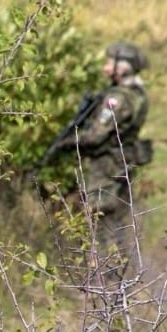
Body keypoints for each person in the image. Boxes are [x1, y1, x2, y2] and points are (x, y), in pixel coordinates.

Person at [62, 40, 152, 274]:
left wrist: (68, 142)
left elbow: (95, 136)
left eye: (109, 63)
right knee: (117, 220)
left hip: (106, 168)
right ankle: (119, 274)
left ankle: (107, 276)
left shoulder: (118, 98)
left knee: (100, 217)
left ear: (123, 67)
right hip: (120, 165)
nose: (104, 68)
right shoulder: (137, 93)